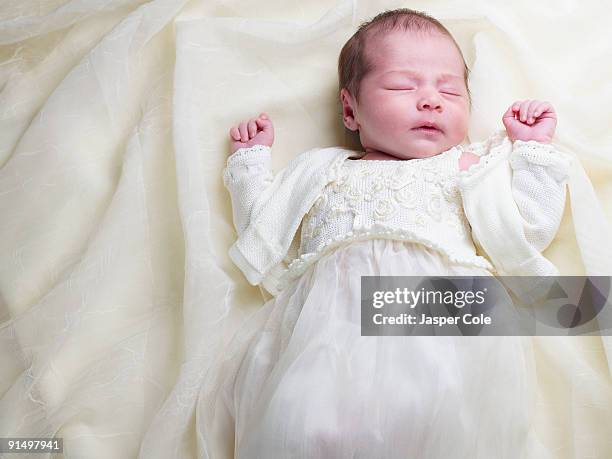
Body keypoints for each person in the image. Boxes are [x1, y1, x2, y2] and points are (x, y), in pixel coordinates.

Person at [199, 8, 572, 458]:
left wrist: (532, 150)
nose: (432, 100)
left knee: (439, 416)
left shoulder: (467, 167)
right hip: (327, 330)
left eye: (450, 90)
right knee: (298, 419)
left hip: (439, 322)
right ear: (350, 109)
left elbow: (527, 228)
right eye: (403, 85)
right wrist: (249, 165)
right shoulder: (320, 170)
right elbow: (263, 228)